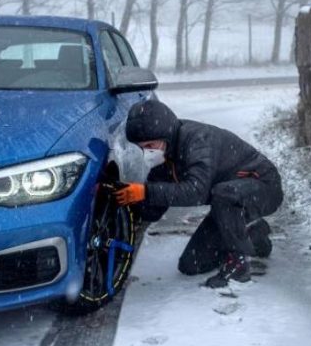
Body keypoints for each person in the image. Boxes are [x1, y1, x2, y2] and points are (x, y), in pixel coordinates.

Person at [113, 99, 283, 288]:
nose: (147, 152)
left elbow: (196, 191)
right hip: (228, 202)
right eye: (142, 147)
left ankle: (239, 265)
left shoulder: (198, 141)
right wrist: (123, 199)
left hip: (263, 187)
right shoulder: (164, 156)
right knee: (191, 264)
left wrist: (145, 192)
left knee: (224, 194)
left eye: (150, 145)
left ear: (166, 136)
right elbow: (153, 209)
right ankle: (253, 233)